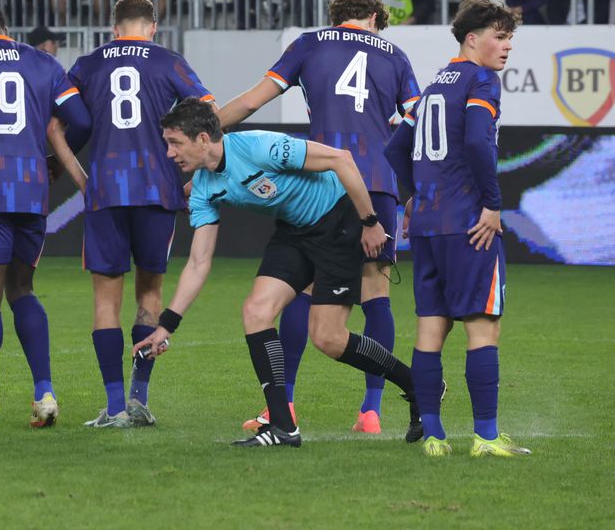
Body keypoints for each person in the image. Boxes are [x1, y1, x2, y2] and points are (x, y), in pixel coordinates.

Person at [134, 96, 424, 448]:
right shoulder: (203, 190)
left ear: (203, 139)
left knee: (328, 338)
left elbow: (341, 160)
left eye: (175, 143)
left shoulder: (259, 147)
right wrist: (166, 326)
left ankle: (416, 386)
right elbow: (198, 263)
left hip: (338, 223)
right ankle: (283, 427)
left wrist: (370, 222)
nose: (170, 153)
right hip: (295, 232)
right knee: (256, 311)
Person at [217, 0, 421, 434]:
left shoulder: (310, 43)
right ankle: (371, 411)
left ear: (338, 17)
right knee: (376, 296)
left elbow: (253, 101)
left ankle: (281, 406)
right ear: (372, 16)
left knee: (300, 290)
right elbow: (416, 120)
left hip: (320, 183)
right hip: (377, 184)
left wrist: (207, 128)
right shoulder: (395, 56)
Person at [383, 0, 531, 458]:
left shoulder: (432, 87)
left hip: (426, 225)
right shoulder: (481, 79)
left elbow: (394, 149)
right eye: (500, 37)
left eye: (510, 38)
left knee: (430, 330)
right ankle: (486, 438)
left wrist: (410, 198)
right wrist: (492, 204)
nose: (507, 47)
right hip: (469, 224)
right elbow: (476, 141)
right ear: (473, 38)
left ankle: (433, 437)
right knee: (482, 327)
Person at [67, 0, 216, 428]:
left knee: (104, 301)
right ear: (153, 27)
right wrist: (197, 169)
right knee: (149, 295)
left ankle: (113, 407)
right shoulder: (168, 61)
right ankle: (138, 400)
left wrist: (80, 178)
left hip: (106, 191)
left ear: (114, 29)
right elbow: (208, 111)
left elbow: (61, 123)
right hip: (157, 189)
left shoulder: (89, 64)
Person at [0, 0, 90, 430]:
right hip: (30, 189)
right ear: (4, 27)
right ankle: (44, 392)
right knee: (23, 288)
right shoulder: (43, 62)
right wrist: (57, 159)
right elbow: (80, 120)